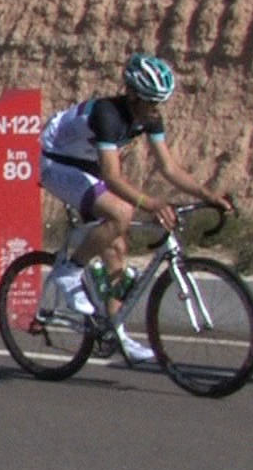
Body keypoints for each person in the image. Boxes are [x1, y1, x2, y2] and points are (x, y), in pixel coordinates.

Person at [35, 54, 235, 365]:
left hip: (86, 163)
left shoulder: (149, 117)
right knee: (121, 213)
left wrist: (208, 195)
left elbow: (169, 168)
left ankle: (116, 333)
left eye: (160, 103)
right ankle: (69, 271)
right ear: (131, 94)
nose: (155, 109)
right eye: (150, 102)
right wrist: (152, 203)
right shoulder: (107, 114)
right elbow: (112, 177)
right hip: (56, 160)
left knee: (117, 249)